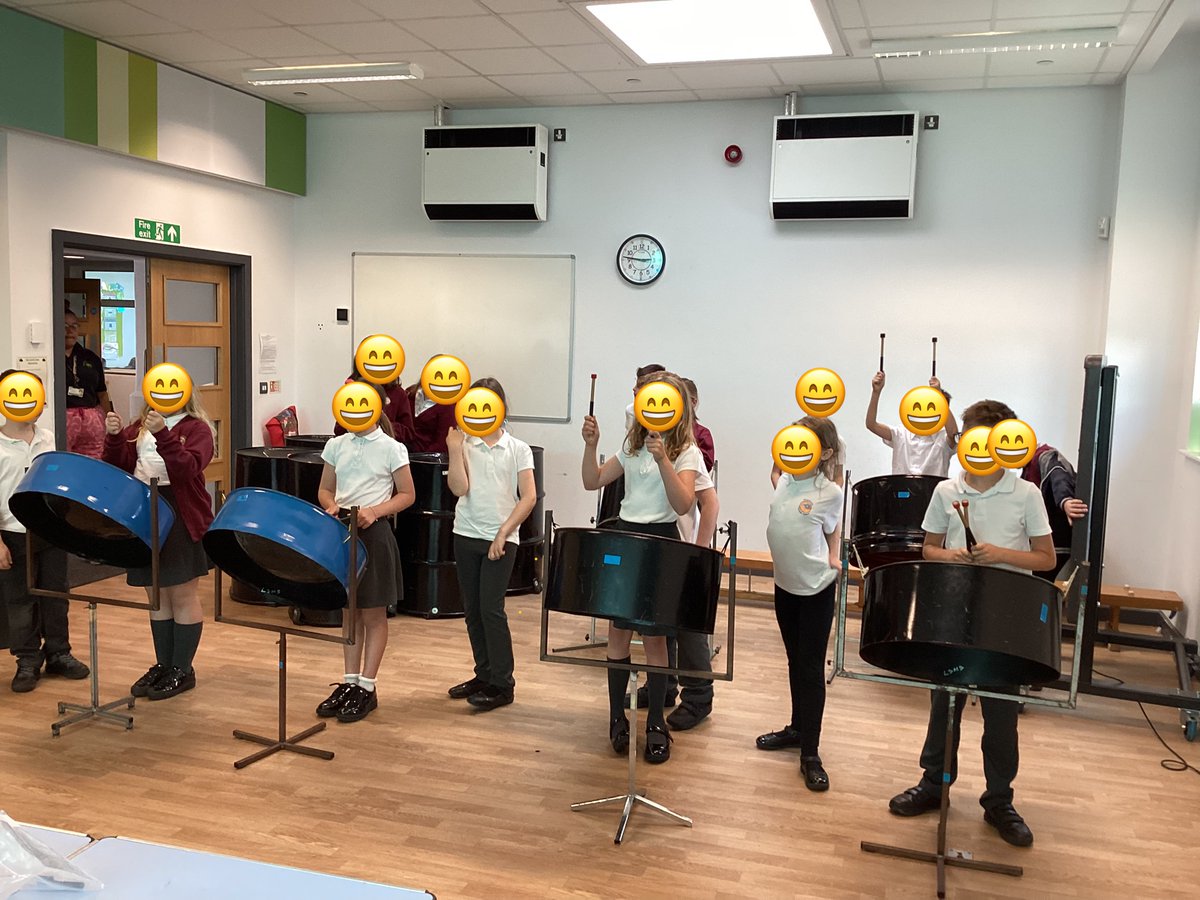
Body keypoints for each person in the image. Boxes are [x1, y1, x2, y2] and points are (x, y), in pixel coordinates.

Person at [888, 399, 1055, 848]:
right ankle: (934, 783)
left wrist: (1000, 555)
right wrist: (956, 556)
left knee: (1001, 714)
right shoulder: (948, 490)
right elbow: (928, 550)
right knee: (945, 703)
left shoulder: (1027, 495)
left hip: (1006, 619)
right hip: (955, 613)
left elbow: (1046, 558)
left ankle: (999, 800)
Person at [583, 371, 701, 764]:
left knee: (655, 640)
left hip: (662, 539)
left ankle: (655, 724)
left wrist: (664, 458)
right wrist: (591, 446)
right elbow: (592, 480)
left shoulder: (686, 450)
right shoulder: (631, 445)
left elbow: (684, 504)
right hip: (627, 537)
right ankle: (617, 718)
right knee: (618, 634)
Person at [104, 394, 215, 700]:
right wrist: (114, 438)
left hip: (180, 512)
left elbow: (186, 468)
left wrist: (163, 434)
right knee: (155, 593)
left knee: (181, 591)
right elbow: (120, 467)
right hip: (144, 511)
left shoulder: (198, 429)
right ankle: (164, 663)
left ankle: (183, 668)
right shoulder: (138, 427)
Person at [314, 387, 415, 723]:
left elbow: (407, 495)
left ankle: (368, 687)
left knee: (373, 614)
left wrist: (374, 511)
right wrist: (330, 505)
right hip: (342, 533)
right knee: (350, 612)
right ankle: (349, 681)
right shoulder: (335, 445)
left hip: (374, 533)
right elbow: (326, 488)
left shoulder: (392, 448)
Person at [756, 416, 843, 792]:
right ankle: (796, 728)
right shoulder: (786, 481)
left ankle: (811, 751)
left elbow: (833, 525)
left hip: (815, 591)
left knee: (810, 668)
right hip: (784, 586)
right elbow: (777, 471)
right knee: (794, 661)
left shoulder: (830, 491)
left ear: (822, 452)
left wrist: (835, 555)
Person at [445, 378, 536, 711]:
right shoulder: (465, 444)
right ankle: (483, 673)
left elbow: (527, 497)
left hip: (501, 539)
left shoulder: (518, 449)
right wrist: (455, 449)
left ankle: (503, 683)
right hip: (465, 534)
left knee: (491, 610)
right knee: (472, 610)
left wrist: (503, 533)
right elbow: (458, 488)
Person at [0, 371, 88, 692]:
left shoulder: (48, 439)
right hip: (12, 533)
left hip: (50, 532)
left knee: (56, 594)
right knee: (20, 599)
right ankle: (26, 660)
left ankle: (58, 653)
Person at [865, 371, 957, 476]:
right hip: (902, 490)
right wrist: (876, 392)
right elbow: (871, 425)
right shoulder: (901, 433)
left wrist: (938, 395)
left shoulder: (943, 438)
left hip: (934, 491)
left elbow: (953, 433)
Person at [1022, 444, 1087, 582]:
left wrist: (1065, 500)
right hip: (1048, 541)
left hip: (1054, 541)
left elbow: (1059, 476)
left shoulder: (1045, 455)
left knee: (1040, 584)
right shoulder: (1028, 467)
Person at [64, 309, 112, 459]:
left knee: (95, 459)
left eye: (74, 326)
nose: (69, 331)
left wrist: (110, 419)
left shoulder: (91, 358)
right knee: (65, 460)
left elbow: (102, 393)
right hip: (64, 417)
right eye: (64, 326)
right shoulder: (51, 356)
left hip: (91, 418)